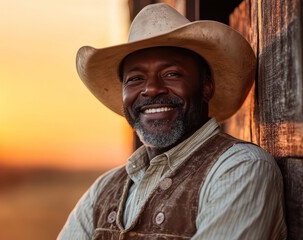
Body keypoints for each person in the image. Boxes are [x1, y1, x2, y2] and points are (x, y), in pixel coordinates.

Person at [58, 3, 287, 240]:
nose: (152, 89)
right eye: (135, 78)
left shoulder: (241, 169)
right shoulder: (104, 190)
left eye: (171, 74)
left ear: (206, 86)